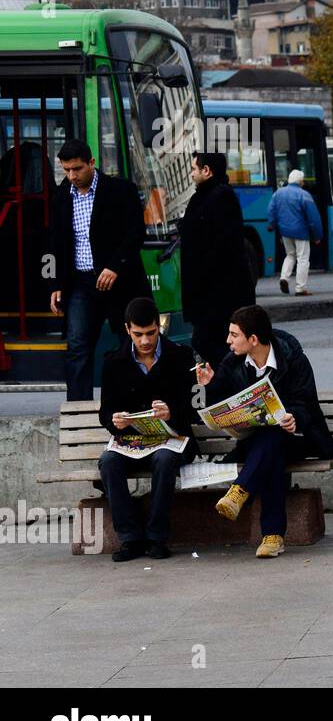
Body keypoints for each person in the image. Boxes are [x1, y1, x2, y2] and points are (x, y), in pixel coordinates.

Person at [195, 305, 333, 558]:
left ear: (253, 339)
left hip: (297, 439)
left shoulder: (293, 358)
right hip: (256, 443)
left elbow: (306, 401)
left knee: (274, 436)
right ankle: (272, 537)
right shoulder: (233, 362)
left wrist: (295, 418)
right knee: (270, 444)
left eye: (234, 335)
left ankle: (241, 491)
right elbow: (220, 402)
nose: (228, 341)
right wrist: (209, 386)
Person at [97, 297, 200, 562]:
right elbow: (105, 412)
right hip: (133, 440)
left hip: (173, 440)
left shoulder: (181, 356)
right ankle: (130, 539)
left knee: (164, 459)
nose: (145, 341)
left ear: (159, 326)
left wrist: (172, 412)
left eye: (151, 333)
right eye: (138, 334)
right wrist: (115, 420)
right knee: (108, 462)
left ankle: (156, 538)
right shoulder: (114, 362)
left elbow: (195, 410)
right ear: (127, 329)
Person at [48, 138, 152, 401]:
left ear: (92, 163)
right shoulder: (61, 196)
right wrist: (56, 285)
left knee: (131, 345)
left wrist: (115, 267)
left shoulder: (121, 190)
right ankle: (78, 409)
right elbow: (57, 243)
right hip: (81, 284)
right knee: (77, 347)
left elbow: (136, 233)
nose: (72, 175)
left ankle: (134, 405)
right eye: (67, 170)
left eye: (77, 169)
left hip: (121, 283)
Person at [179, 151, 256, 367]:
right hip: (209, 293)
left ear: (207, 170)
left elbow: (223, 245)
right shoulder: (203, 196)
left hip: (220, 294)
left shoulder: (222, 196)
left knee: (207, 341)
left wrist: (202, 278)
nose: (191, 174)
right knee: (212, 341)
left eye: (194, 169)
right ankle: (234, 379)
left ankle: (236, 377)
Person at [266, 168, 323, 297]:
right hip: (301, 232)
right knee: (303, 259)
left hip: (285, 231)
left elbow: (271, 210)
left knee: (290, 255)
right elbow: (314, 218)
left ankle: (284, 278)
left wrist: (272, 224)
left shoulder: (278, 193)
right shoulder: (304, 195)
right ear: (300, 182)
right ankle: (300, 288)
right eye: (302, 181)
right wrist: (317, 235)